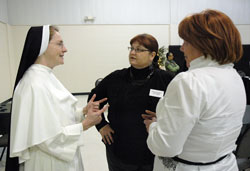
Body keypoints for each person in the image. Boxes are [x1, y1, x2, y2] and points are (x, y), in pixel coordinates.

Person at [143, 9, 246, 171]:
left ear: (204, 44)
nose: (182, 48)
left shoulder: (189, 81)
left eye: (186, 42)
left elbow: (165, 146)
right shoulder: (233, 76)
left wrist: (153, 126)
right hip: (225, 164)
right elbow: (208, 123)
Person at [6, 25, 108, 171]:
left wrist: (83, 112)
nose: (65, 49)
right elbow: (46, 139)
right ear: (41, 47)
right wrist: (84, 124)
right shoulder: (35, 84)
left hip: (59, 158)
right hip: (49, 162)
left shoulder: (45, 76)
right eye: (59, 44)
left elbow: (55, 117)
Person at [88, 34, 174, 171]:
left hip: (151, 152)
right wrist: (101, 125)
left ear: (152, 55)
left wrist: (161, 119)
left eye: (139, 50)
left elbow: (178, 111)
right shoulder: (116, 78)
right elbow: (93, 99)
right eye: (132, 48)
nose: (133, 52)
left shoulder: (166, 80)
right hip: (119, 151)